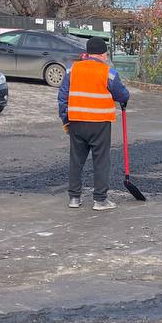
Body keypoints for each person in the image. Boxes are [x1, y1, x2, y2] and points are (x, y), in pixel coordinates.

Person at [58, 36, 130, 210]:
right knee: (101, 161)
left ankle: (74, 198)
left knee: (76, 160)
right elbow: (123, 95)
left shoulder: (72, 70)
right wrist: (123, 98)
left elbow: (62, 95)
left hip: (76, 121)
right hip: (99, 123)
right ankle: (100, 200)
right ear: (103, 54)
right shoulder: (109, 72)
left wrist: (65, 118)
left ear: (88, 53)